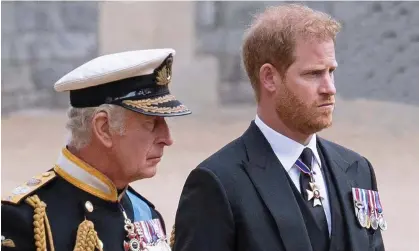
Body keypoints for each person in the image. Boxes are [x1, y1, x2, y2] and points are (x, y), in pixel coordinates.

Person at [172, 4, 386, 251]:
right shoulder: (218, 184)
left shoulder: (357, 170)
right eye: (313, 74)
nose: (329, 88)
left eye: (331, 72)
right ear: (269, 78)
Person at [1, 48, 191, 251]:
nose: (167, 139)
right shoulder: (27, 219)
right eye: (151, 124)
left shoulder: (144, 213)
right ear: (103, 128)